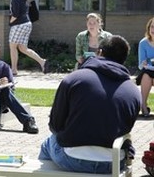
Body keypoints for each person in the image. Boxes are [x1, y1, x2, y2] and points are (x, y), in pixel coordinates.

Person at [39, 35, 141, 174]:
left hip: (72, 157)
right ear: (124, 59)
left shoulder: (74, 79)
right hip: (114, 161)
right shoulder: (133, 91)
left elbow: (55, 125)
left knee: (48, 144)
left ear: (99, 52)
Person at [9, 0, 48, 76]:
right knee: (23, 48)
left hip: (19, 24)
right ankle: (42, 62)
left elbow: (15, 14)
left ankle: (13, 70)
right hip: (27, 24)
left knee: (12, 46)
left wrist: (10, 21)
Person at [136, 17, 154, 117]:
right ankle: (143, 106)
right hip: (148, 71)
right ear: (148, 28)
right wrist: (144, 64)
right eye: (152, 27)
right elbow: (140, 65)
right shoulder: (143, 43)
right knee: (146, 76)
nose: (153, 30)